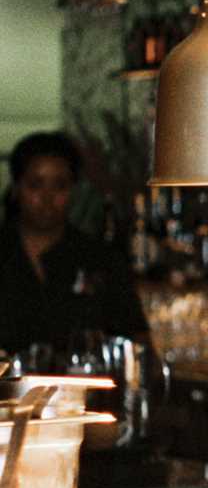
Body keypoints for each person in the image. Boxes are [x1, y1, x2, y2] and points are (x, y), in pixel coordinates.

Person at [0, 130, 150, 368]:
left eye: (59, 185)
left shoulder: (99, 259)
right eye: (36, 185)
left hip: (84, 397)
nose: (47, 198)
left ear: (73, 189)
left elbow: (137, 341)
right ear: (17, 188)